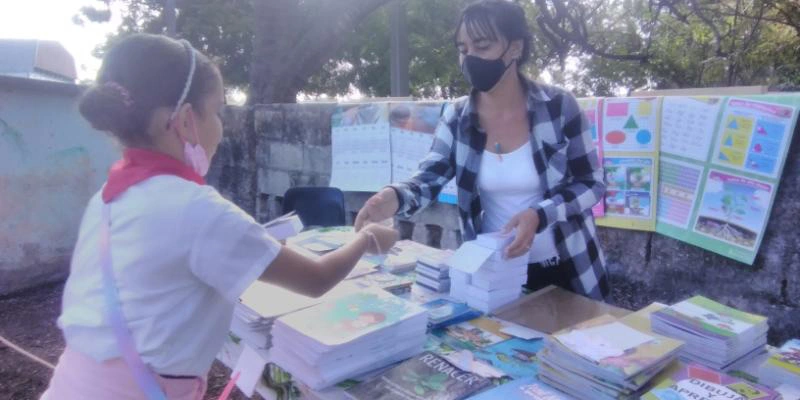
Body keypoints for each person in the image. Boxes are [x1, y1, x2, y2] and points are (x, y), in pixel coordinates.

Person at [41, 34, 398, 400]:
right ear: (185, 121)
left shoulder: (108, 197)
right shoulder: (196, 208)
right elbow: (316, 280)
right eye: (217, 112)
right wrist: (367, 238)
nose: (220, 126)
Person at [354, 0, 609, 301]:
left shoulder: (558, 107)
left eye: (482, 46)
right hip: (493, 274)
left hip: (568, 268)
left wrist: (540, 214)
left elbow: (592, 182)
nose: (470, 58)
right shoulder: (457, 117)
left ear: (514, 47)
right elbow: (428, 177)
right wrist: (392, 198)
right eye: (463, 50)